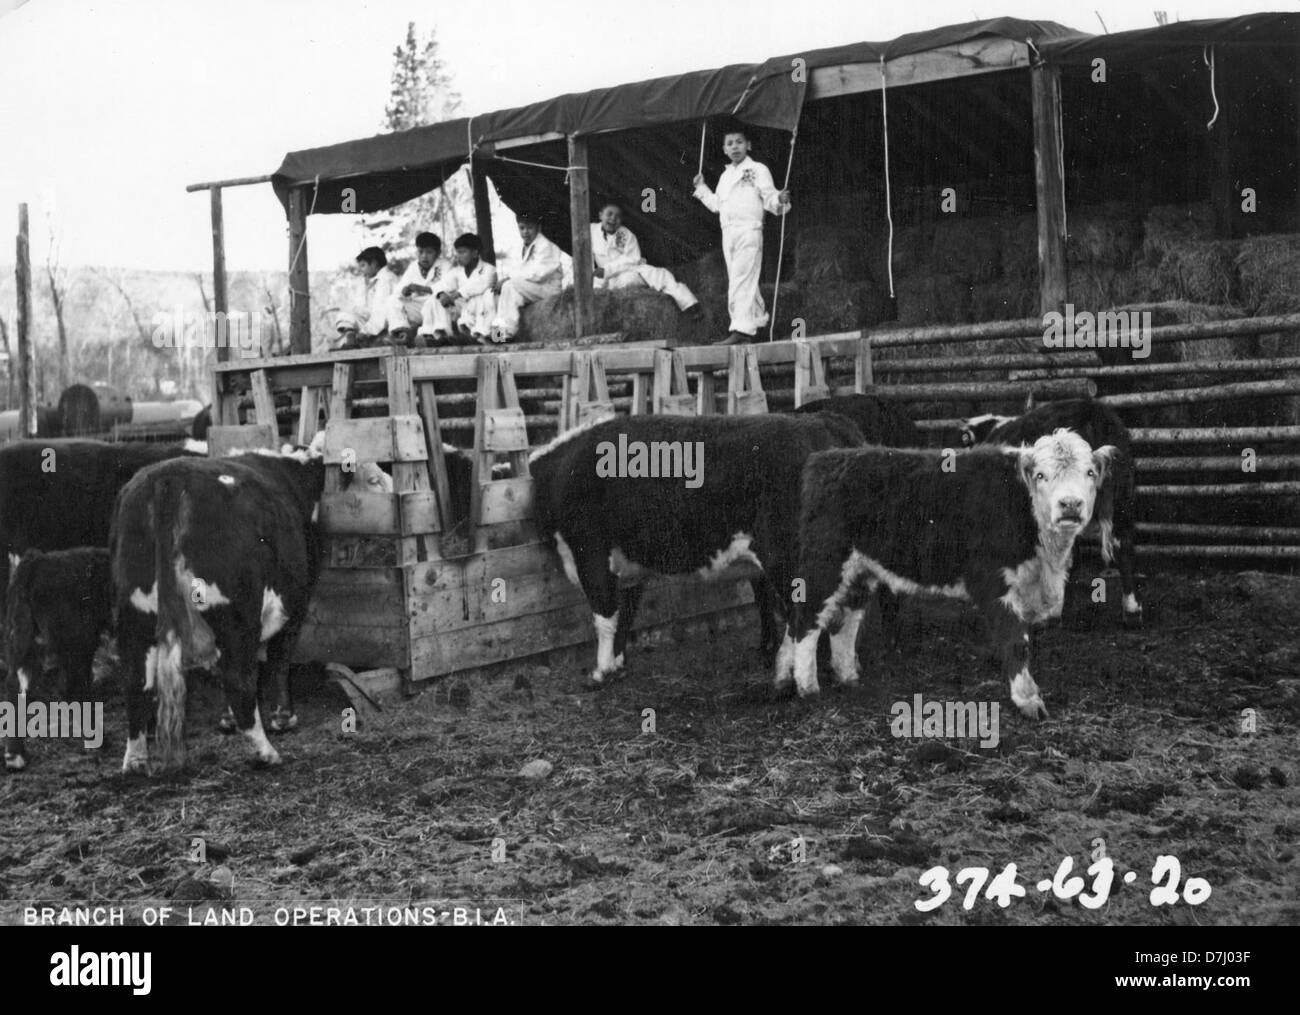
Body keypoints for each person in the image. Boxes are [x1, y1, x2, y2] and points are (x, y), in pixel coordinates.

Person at [692, 122, 791, 345]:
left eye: (739, 142)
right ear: (724, 149)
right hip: (729, 233)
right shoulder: (725, 176)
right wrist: (701, 188)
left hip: (749, 230)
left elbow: (769, 196)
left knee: (740, 280)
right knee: (745, 281)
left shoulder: (758, 169)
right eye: (730, 144)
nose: (735, 147)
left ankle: (741, 330)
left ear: (748, 145)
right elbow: (717, 205)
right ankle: (756, 322)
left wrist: (779, 199)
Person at [591, 200, 702, 319]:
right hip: (605, 281)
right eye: (609, 214)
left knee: (662, 275)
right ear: (600, 215)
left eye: (618, 216)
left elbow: (631, 259)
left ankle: (690, 305)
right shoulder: (590, 231)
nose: (613, 218)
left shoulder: (625, 235)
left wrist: (607, 270)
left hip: (627, 274)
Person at [490, 212, 563, 343]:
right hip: (532, 288)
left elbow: (538, 274)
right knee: (500, 293)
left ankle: (506, 333)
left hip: (547, 288)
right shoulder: (521, 247)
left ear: (538, 227)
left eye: (530, 228)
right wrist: (508, 278)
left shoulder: (546, 245)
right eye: (522, 228)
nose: (525, 232)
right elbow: (517, 271)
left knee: (509, 286)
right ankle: (497, 335)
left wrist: (509, 279)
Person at [425, 233, 498, 344]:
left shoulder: (489, 269)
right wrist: (441, 294)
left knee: (484, 295)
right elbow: (442, 285)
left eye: (462, 252)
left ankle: (479, 335)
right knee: (435, 299)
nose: (458, 256)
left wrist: (456, 295)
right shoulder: (457, 271)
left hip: (481, 309)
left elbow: (480, 285)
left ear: (475, 253)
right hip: (463, 308)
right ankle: (442, 335)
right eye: (457, 252)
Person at [387, 232, 447, 347]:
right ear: (417, 251)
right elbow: (399, 290)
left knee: (434, 301)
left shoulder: (445, 265)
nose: (424, 256)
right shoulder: (413, 266)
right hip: (418, 307)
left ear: (438, 253)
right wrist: (405, 291)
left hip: (436, 307)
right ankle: (402, 333)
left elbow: (447, 287)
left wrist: (422, 288)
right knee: (392, 300)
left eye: (429, 252)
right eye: (421, 252)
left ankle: (433, 336)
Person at [333, 247, 398, 349]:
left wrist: (365, 332)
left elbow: (380, 312)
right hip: (371, 322)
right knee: (345, 315)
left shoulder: (386, 279)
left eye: (363, 265)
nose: (361, 270)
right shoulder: (367, 281)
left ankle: (360, 341)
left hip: (384, 325)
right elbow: (361, 307)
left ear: (374, 263)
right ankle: (351, 341)